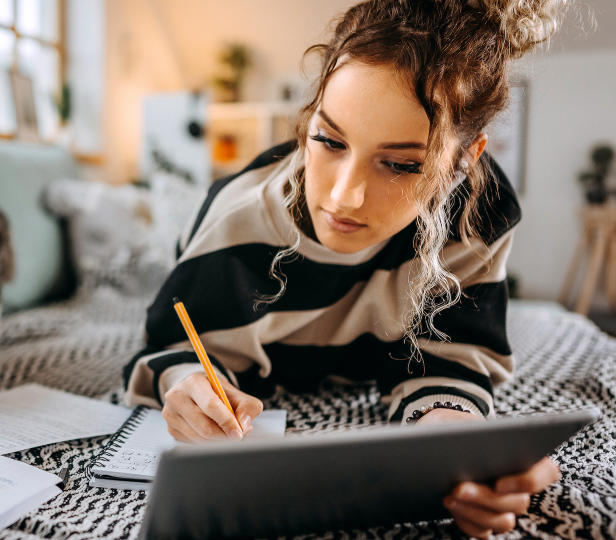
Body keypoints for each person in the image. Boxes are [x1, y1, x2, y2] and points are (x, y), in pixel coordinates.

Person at [122, 0, 569, 537]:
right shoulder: (240, 217)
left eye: (402, 164)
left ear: (464, 161)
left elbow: (450, 360)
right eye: (329, 140)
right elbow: (174, 348)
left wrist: (454, 441)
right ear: (308, 119)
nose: (343, 196)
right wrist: (193, 385)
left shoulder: (481, 212)